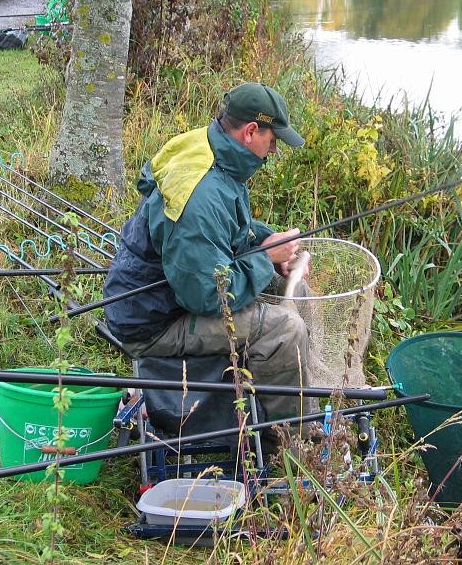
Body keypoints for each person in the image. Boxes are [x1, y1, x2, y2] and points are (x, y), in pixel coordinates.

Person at [104, 82, 317, 431]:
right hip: (154, 322)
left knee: (294, 290)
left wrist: (266, 243)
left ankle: (296, 399)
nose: (274, 149)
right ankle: (291, 447)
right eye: (273, 140)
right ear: (250, 132)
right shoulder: (201, 193)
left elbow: (226, 229)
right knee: (286, 330)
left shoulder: (213, 149)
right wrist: (264, 258)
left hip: (173, 292)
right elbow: (206, 296)